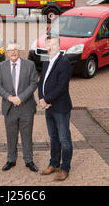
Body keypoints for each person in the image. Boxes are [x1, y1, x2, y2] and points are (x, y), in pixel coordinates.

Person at [0, 40, 38, 172]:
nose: (13, 52)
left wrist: (21, 97)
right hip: (9, 107)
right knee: (11, 134)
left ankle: (29, 160)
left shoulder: (29, 65)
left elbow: (33, 83)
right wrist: (10, 97)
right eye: (10, 50)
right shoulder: (2, 66)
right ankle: (11, 159)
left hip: (26, 107)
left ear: (19, 52)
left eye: (15, 49)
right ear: (7, 53)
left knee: (27, 135)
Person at [38, 35, 73, 181]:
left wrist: (47, 99)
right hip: (49, 107)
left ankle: (65, 168)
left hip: (61, 107)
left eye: (53, 44)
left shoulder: (64, 63)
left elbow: (61, 87)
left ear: (59, 45)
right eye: (48, 45)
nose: (50, 47)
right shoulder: (46, 62)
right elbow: (41, 83)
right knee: (53, 137)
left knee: (64, 138)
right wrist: (41, 99)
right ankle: (54, 163)